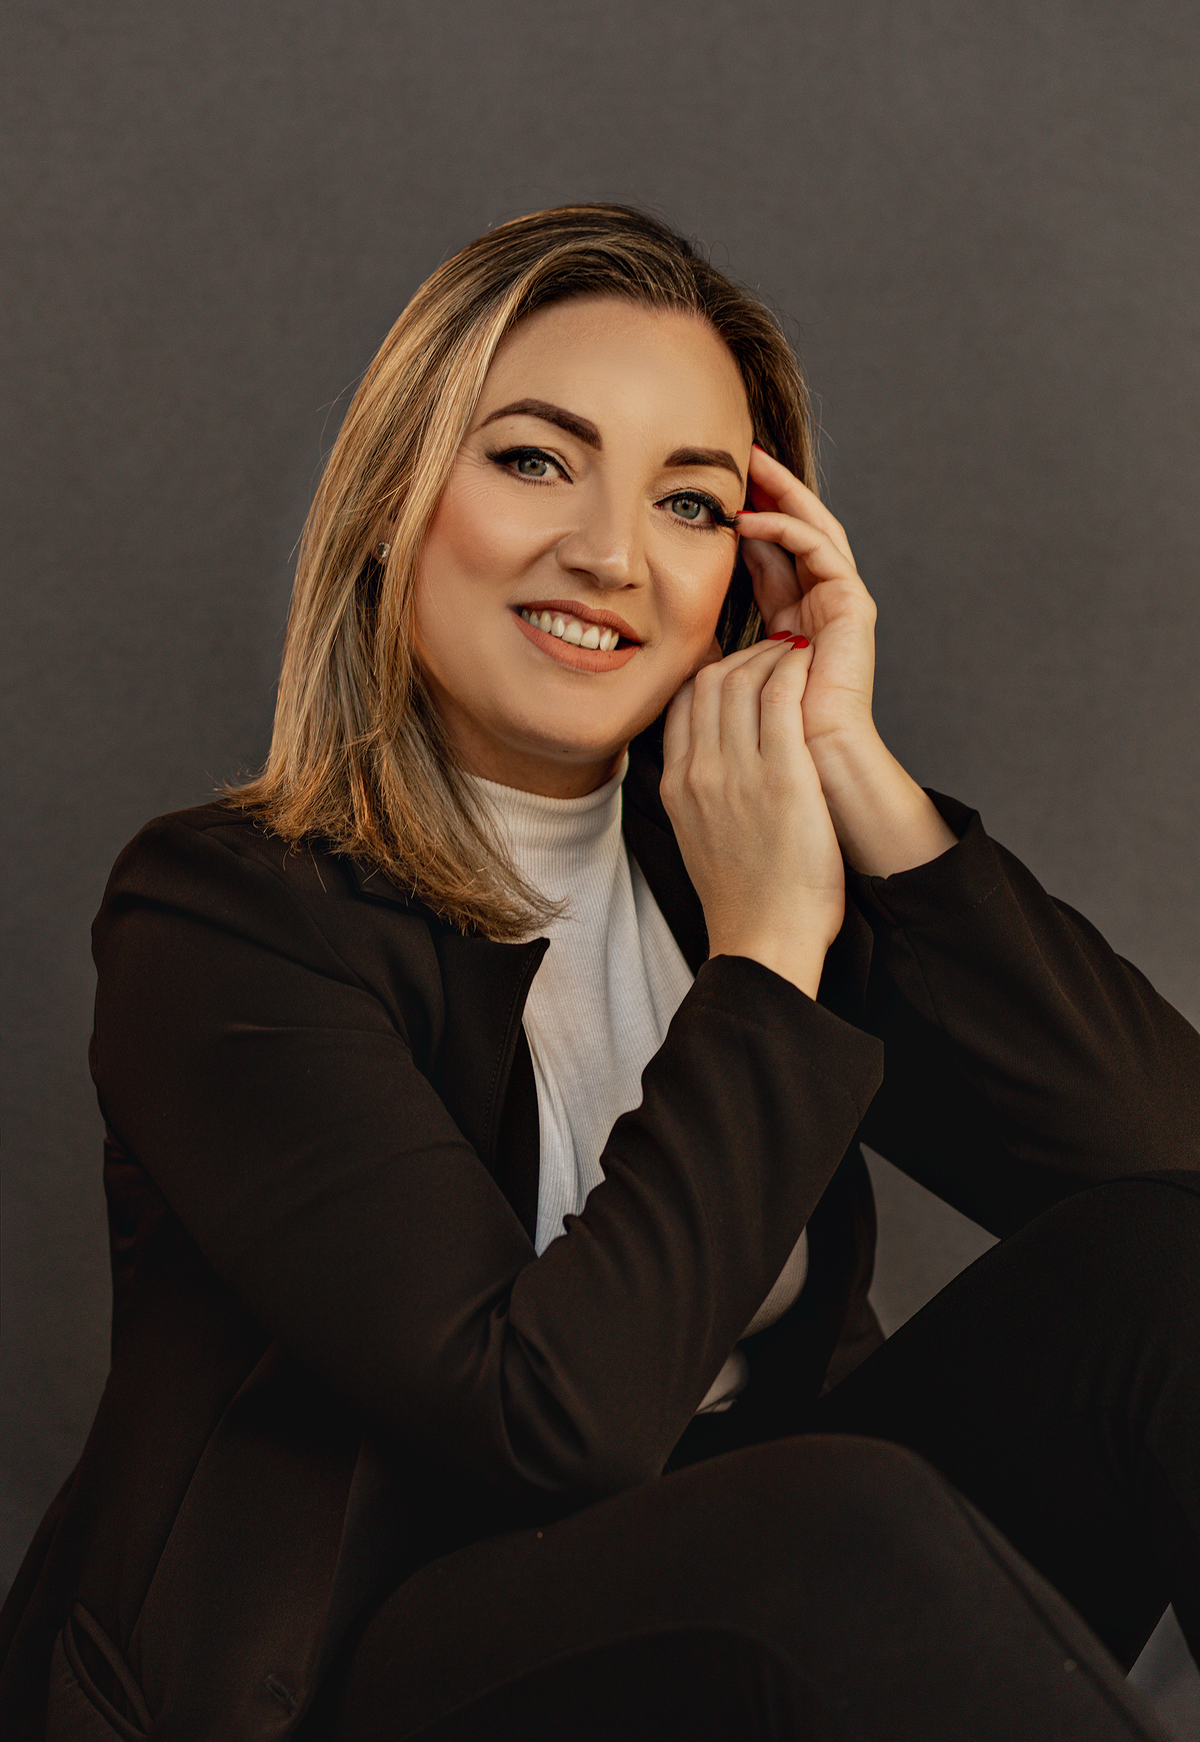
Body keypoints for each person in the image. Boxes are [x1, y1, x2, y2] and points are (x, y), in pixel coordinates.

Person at [2, 204, 1197, 1742]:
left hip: (784, 1621)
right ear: (393, 501)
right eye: (533, 460)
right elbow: (547, 1423)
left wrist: (856, 774)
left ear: (742, 576)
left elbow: (1164, 1167)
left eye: (690, 502)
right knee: (832, 1516)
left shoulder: (727, 844)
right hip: (375, 1684)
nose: (612, 554)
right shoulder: (227, 916)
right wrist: (768, 958)